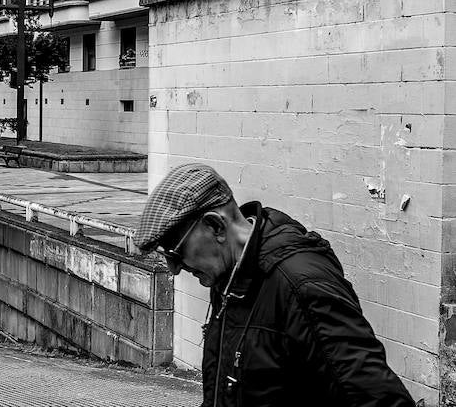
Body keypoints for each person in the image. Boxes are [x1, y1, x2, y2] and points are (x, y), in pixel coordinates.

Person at [134, 163, 416, 407]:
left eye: (175, 251)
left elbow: (377, 396)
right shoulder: (232, 279)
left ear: (216, 227)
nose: (174, 268)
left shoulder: (301, 285)